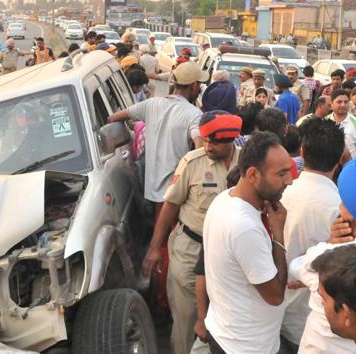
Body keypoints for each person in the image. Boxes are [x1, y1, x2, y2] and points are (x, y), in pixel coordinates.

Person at [143, 111, 242, 354]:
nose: (207, 146)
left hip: (230, 255)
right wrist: (155, 248)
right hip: (190, 249)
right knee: (187, 321)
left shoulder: (248, 163)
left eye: (215, 142)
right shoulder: (192, 162)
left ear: (230, 140)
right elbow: (170, 206)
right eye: (205, 140)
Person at [290, 156, 356, 354]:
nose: (339, 208)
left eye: (345, 204)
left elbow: (296, 266)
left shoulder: (329, 257)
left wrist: (329, 241)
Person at [203, 131, 292, 354]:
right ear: (253, 174)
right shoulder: (245, 227)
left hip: (229, 333)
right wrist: (278, 234)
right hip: (245, 346)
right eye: (281, 174)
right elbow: (275, 296)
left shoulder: (224, 199)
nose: (289, 181)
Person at [279, 118, 345, 352]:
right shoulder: (340, 208)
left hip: (274, 312)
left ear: (302, 152)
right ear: (340, 159)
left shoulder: (280, 193)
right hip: (310, 322)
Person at [107, 61, 205, 210]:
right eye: (199, 85)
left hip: (151, 189)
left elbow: (113, 118)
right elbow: (200, 149)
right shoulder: (194, 114)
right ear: (194, 86)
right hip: (174, 193)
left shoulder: (151, 104)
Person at [326, 89, 356, 158]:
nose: (343, 105)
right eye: (339, 102)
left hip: (350, 166)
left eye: (346, 102)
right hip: (327, 165)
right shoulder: (324, 122)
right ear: (331, 104)